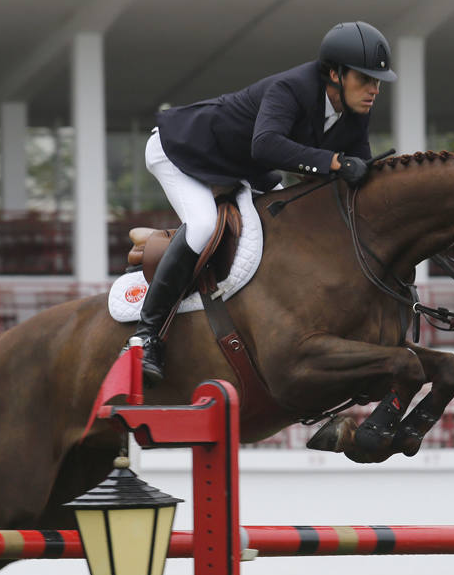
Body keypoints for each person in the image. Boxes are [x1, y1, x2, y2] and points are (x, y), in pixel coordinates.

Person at [133, 20, 397, 386]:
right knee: (204, 226)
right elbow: (266, 145)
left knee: (287, 221)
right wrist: (336, 163)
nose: (375, 90)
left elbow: (357, 176)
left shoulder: (355, 114)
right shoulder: (292, 88)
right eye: (365, 79)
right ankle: (146, 337)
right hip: (182, 151)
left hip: (240, 169)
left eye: (378, 81)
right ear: (335, 74)